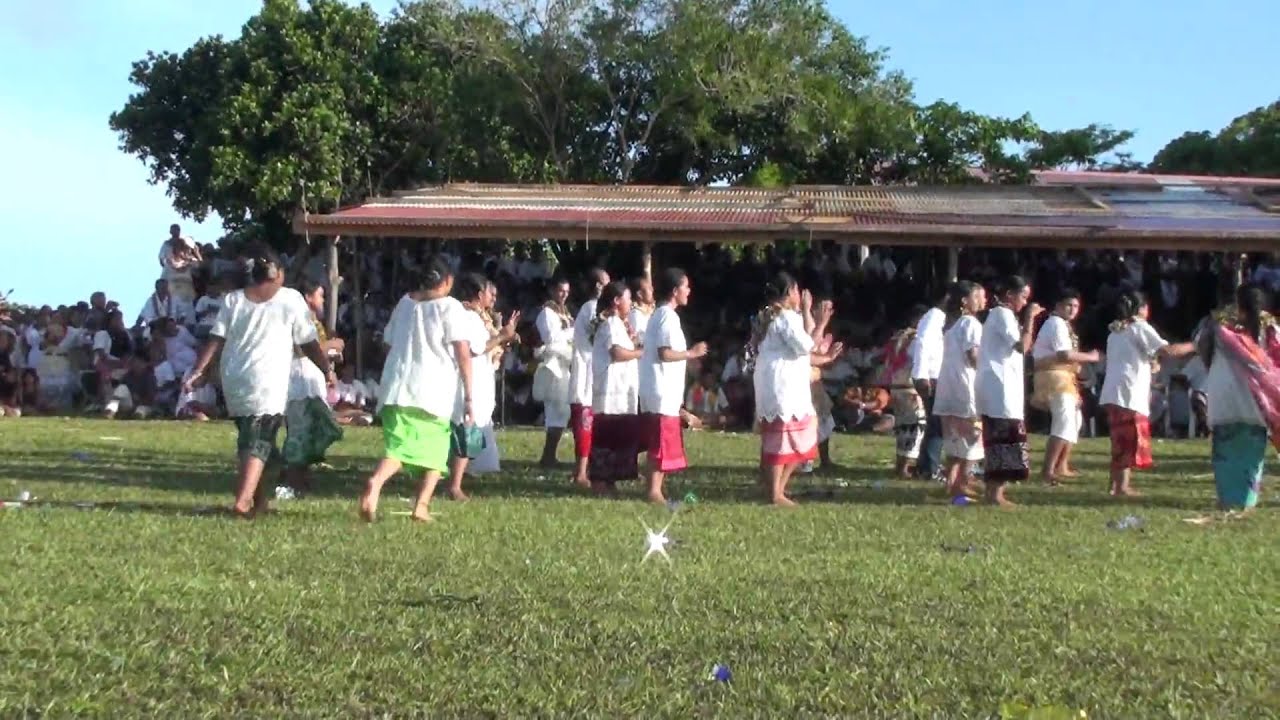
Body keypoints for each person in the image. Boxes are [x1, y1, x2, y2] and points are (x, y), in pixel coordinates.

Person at [184, 245, 335, 518]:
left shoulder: (233, 300)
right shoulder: (290, 299)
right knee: (261, 440)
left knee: (252, 439)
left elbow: (216, 339)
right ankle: (242, 501)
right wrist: (326, 369)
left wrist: (199, 371)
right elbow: (309, 343)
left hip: (235, 379)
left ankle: (261, 503)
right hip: (266, 380)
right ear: (277, 272)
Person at [358, 257, 474, 523]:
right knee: (435, 452)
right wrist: (469, 396)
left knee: (398, 448)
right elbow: (463, 353)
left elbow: (387, 343)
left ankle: (378, 482)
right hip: (431, 390)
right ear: (447, 281)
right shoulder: (450, 307)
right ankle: (419, 504)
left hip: (396, 386)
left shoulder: (405, 303)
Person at [750, 273, 843, 507]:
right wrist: (820, 322)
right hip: (782, 385)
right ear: (790, 291)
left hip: (776, 382)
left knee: (799, 435)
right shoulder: (786, 317)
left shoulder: (772, 316)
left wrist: (826, 356)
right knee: (782, 438)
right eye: (796, 290)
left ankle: (776, 490)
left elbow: (799, 351)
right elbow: (805, 345)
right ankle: (775, 493)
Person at [1098, 290, 1195, 498]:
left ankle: (1114, 485)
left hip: (1113, 391)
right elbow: (1168, 351)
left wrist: (1152, 365)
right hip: (1128, 392)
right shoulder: (1139, 327)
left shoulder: (1115, 331)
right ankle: (1122, 488)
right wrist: (1194, 344)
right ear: (1141, 308)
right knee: (1127, 439)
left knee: (1118, 439)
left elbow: (1136, 358)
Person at [1197, 285, 1280, 511]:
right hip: (1256, 400)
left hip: (1222, 393)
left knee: (1226, 451)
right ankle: (1246, 501)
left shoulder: (1217, 327)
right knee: (1250, 453)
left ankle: (1228, 499)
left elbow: (1201, 348)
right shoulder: (1270, 329)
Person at [446, 273, 519, 501]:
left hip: (480, 376)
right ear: (480, 294)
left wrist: (502, 338)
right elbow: (476, 348)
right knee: (469, 428)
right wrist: (502, 336)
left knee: (473, 428)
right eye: (490, 294)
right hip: (470, 378)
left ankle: (462, 475)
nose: (493, 299)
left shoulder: (478, 317)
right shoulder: (468, 317)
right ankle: (455, 484)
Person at [638, 268, 707, 504]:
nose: (689, 291)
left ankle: (656, 489)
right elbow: (665, 353)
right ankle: (653, 491)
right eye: (685, 286)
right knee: (659, 442)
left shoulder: (661, 315)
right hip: (660, 389)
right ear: (675, 291)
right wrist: (692, 353)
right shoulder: (667, 316)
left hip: (661, 389)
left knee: (662, 441)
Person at [975, 276, 1041, 507]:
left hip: (1002, 389)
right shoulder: (1002, 315)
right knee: (1003, 439)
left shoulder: (1003, 316)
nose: (1025, 302)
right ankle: (994, 494)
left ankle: (995, 492)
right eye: (1023, 297)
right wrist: (1031, 318)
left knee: (1004, 438)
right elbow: (1023, 346)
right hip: (998, 390)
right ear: (1010, 295)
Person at [281, 279, 345, 494]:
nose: (323, 300)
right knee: (300, 428)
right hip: (299, 378)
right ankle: (292, 476)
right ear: (308, 297)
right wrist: (332, 346)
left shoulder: (315, 321)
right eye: (320, 295)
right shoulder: (297, 316)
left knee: (321, 427)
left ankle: (300, 471)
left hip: (311, 377)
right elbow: (301, 347)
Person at [1031, 290, 1100, 485]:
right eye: (1068, 305)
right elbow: (1064, 355)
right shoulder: (1056, 323)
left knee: (1075, 421)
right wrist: (1091, 357)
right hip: (1054, 377)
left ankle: (1061, 465)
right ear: (1058, 306)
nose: (1073, 310)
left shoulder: (1063, 325)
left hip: (1064, 377)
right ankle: (1048, 470)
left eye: (1076, 306)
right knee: (1064, 422)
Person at [933, 281, 986, 500]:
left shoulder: (952, 326)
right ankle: (962, 482)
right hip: (965, 387)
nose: (984, 300)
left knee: (954, 440)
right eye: (979, 296)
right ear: (965, 301)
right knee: (973, 436)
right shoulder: (971, 323)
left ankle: (952, 484)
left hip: (948, 388)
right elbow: (973, 355)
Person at [568, 268, 610, 488]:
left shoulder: (594, 308)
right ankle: (581, 472)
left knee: (591, 425)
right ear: (597, 286)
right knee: (584, 423)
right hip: (585, 373)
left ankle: (586, 469)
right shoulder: (591, 308)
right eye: (606, 283)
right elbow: (595, 335)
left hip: (593, 371)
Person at [533, 276, 574, 467]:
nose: (564, 295)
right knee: (555, 410)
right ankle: (547, 456)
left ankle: (550, 455)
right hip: (553, 364)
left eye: (566, 291)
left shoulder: (565, 312)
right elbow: (552, 339)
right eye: (560, 290)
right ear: (552, 290)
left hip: (565, 364)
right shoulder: (547, 312)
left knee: (562, 410)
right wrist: (572, 334)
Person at [884, 307, 927, 479]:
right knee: (915, 426)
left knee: (904, 427)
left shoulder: (898, 338)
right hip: (910, 388)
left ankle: (901, 464)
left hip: (897, 387)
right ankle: (904, 467)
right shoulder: (915, 339)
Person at [910, 295, 946, 480]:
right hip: (931, 376)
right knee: (938, 423)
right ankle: (930, 468)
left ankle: (925, 465)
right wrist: (921, 374)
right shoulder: (934, 317)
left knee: (935, 423)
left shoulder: (942, 318)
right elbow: (922, 345)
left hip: (937, 376)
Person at [629, 275, 655, 342]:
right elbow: (639, 340)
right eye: (649, 289)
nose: (652, 291)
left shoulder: (649, 311)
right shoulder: (635, 314)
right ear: (639, 294)